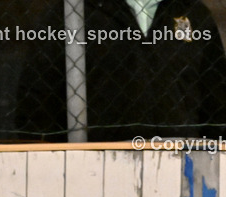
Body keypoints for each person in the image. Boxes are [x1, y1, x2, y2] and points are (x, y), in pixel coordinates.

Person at [17, 0, 226, 141]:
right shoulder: (70, 13)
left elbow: (217, 103)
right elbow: (36, 105)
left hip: (183, 171)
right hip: (98, 172)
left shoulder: (193, 13)